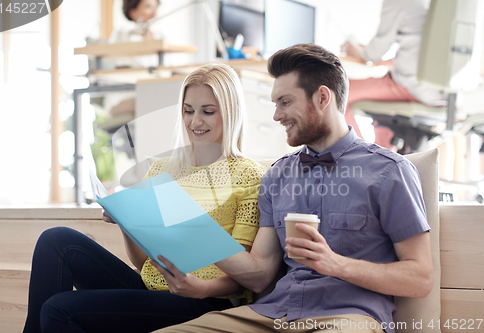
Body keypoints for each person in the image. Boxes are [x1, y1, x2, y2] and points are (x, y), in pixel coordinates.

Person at [153, 44, 434, 333]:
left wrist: (335, 264)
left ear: (323, 97)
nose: (276, 115)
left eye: (285, 102)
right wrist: (192, 225)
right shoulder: (278, 175)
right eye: (275, 103)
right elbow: (260, 275)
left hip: (348, 319)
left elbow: (420, 278)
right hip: (273, 314)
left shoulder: (389, 171)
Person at [22, 63, 266, 333]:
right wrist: (127, 222)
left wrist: (201, 289)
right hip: (151, 286)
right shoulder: (163, 169)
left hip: (204, 299)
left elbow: (242, 272)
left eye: (208, 111)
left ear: (230, 113)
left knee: (58, 309)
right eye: (188, 111)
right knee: (56, 240)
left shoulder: (248, 176)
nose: (195, 122)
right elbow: (143, 263)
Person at [342, 0, 446, 151]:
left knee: (337, 94)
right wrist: (385, 61)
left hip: (410, 87)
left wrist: (361, 52)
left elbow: (374, 52)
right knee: (382, 117)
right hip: (438, 93)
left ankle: (362, 157)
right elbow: (420, 50)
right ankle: (382, 165)